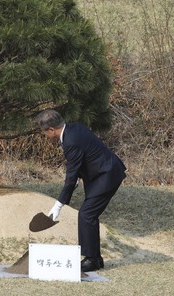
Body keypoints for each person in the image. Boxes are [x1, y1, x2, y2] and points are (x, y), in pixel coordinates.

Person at [35, 109, 126, 272]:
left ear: (51, 130)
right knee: (89, 215)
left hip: (107, 174)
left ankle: (91, 260)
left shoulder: (71, 141)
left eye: (44, 132)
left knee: (86, 214)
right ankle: (96, 259)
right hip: (100, 173)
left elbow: (71, 176)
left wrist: (58, 205)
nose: (44, 135)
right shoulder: (74, 128)